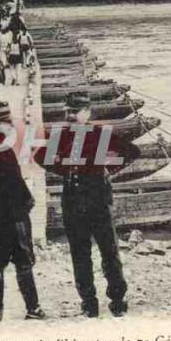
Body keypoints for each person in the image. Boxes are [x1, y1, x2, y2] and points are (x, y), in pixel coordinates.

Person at [34, 91, 140, 318]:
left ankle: (118, 300)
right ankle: (88, 302)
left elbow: (132, 151)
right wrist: (64, 170)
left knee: (109, 253)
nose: (71, 116)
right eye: (68, 111)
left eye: (76, 111)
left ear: (87, 112)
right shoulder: (60, 136)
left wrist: (109, 169)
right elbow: (40, 157)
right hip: (73, 204)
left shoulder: (99, 134)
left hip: (98, 201)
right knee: (80, 256)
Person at [0, 102, 45, 321]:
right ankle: (33, 309)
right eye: (7, 123)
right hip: (13, 215)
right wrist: (29, 198)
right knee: (23, 262)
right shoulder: (3, 150)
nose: (11, 126)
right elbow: (12, 183)